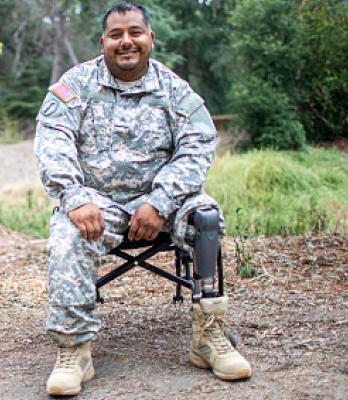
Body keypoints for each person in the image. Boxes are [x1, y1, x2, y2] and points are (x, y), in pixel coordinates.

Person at [34, 2, 252, 396]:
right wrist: (74, 197)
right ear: (103, 42)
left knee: (205, 215)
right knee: (67, 231)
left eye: (135, 32)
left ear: (150, 38)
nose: (126, 41)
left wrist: (161, 201)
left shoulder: (174, 90)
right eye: (116, 35)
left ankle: (208, 336)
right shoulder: (75, 85)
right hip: (99, 204)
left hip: (163, 201)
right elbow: (52, 141)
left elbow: (198, 145)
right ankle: (75, 352)